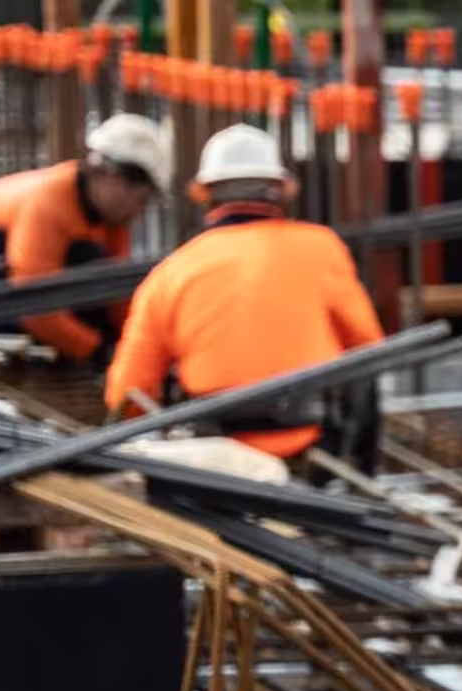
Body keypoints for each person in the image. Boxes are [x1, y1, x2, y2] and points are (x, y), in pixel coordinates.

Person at [105, 124, 382, 461]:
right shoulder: (322, 247)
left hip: (214, 452)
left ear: (204, 194)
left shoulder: (170, 272)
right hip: (307, 441)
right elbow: (368, 344)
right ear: (282, 190)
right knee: (366, 374)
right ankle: (359, 485)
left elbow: (128, 394)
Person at [0, 114, 170, 364]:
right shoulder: (47, 203)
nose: (139, 212)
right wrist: (97, 351)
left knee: (94, 277)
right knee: (83, 263)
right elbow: (33, 305)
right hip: (8, 302)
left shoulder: (111, 217)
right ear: (111, 176)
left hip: (17, 295)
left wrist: (133, 346)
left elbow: (116, 296)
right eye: (141, 200)